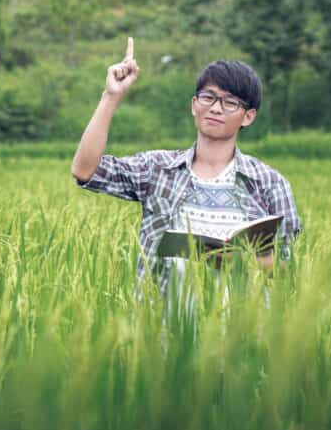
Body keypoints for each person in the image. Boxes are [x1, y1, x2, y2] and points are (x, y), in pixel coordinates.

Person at [70, 37, 302, 310]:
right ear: (194, 105)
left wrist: (241, 259)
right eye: (209, 97)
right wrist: (111, 96)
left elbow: (288, 272)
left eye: (230, 102)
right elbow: (85, 170)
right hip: (160, 335)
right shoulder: (157, 170)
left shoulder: (269, 184)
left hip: (238, 338)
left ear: (248, 116)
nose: (216, 107)